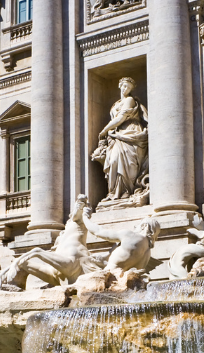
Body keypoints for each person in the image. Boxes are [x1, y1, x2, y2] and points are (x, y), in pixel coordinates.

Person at [91, 77, 149, 206]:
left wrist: (105, 130)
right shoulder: (116, 103)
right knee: (113, 161)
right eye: (124, 86)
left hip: (130, 131)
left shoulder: (129, 100)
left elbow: (121, 118)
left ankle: (126, 192)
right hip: (117, 135)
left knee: (127, 162)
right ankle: (114, 193)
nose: (125, 89)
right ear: (119, 86)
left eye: (128, 87)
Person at [83, 211, 160, 273]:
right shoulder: (147, 252)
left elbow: (98, 231)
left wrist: (85, 218)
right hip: (126, 282)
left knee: (82, 261)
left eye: (138, 225)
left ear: (144, 226)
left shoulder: (131, 236)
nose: (135, 227)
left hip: (108, 277)